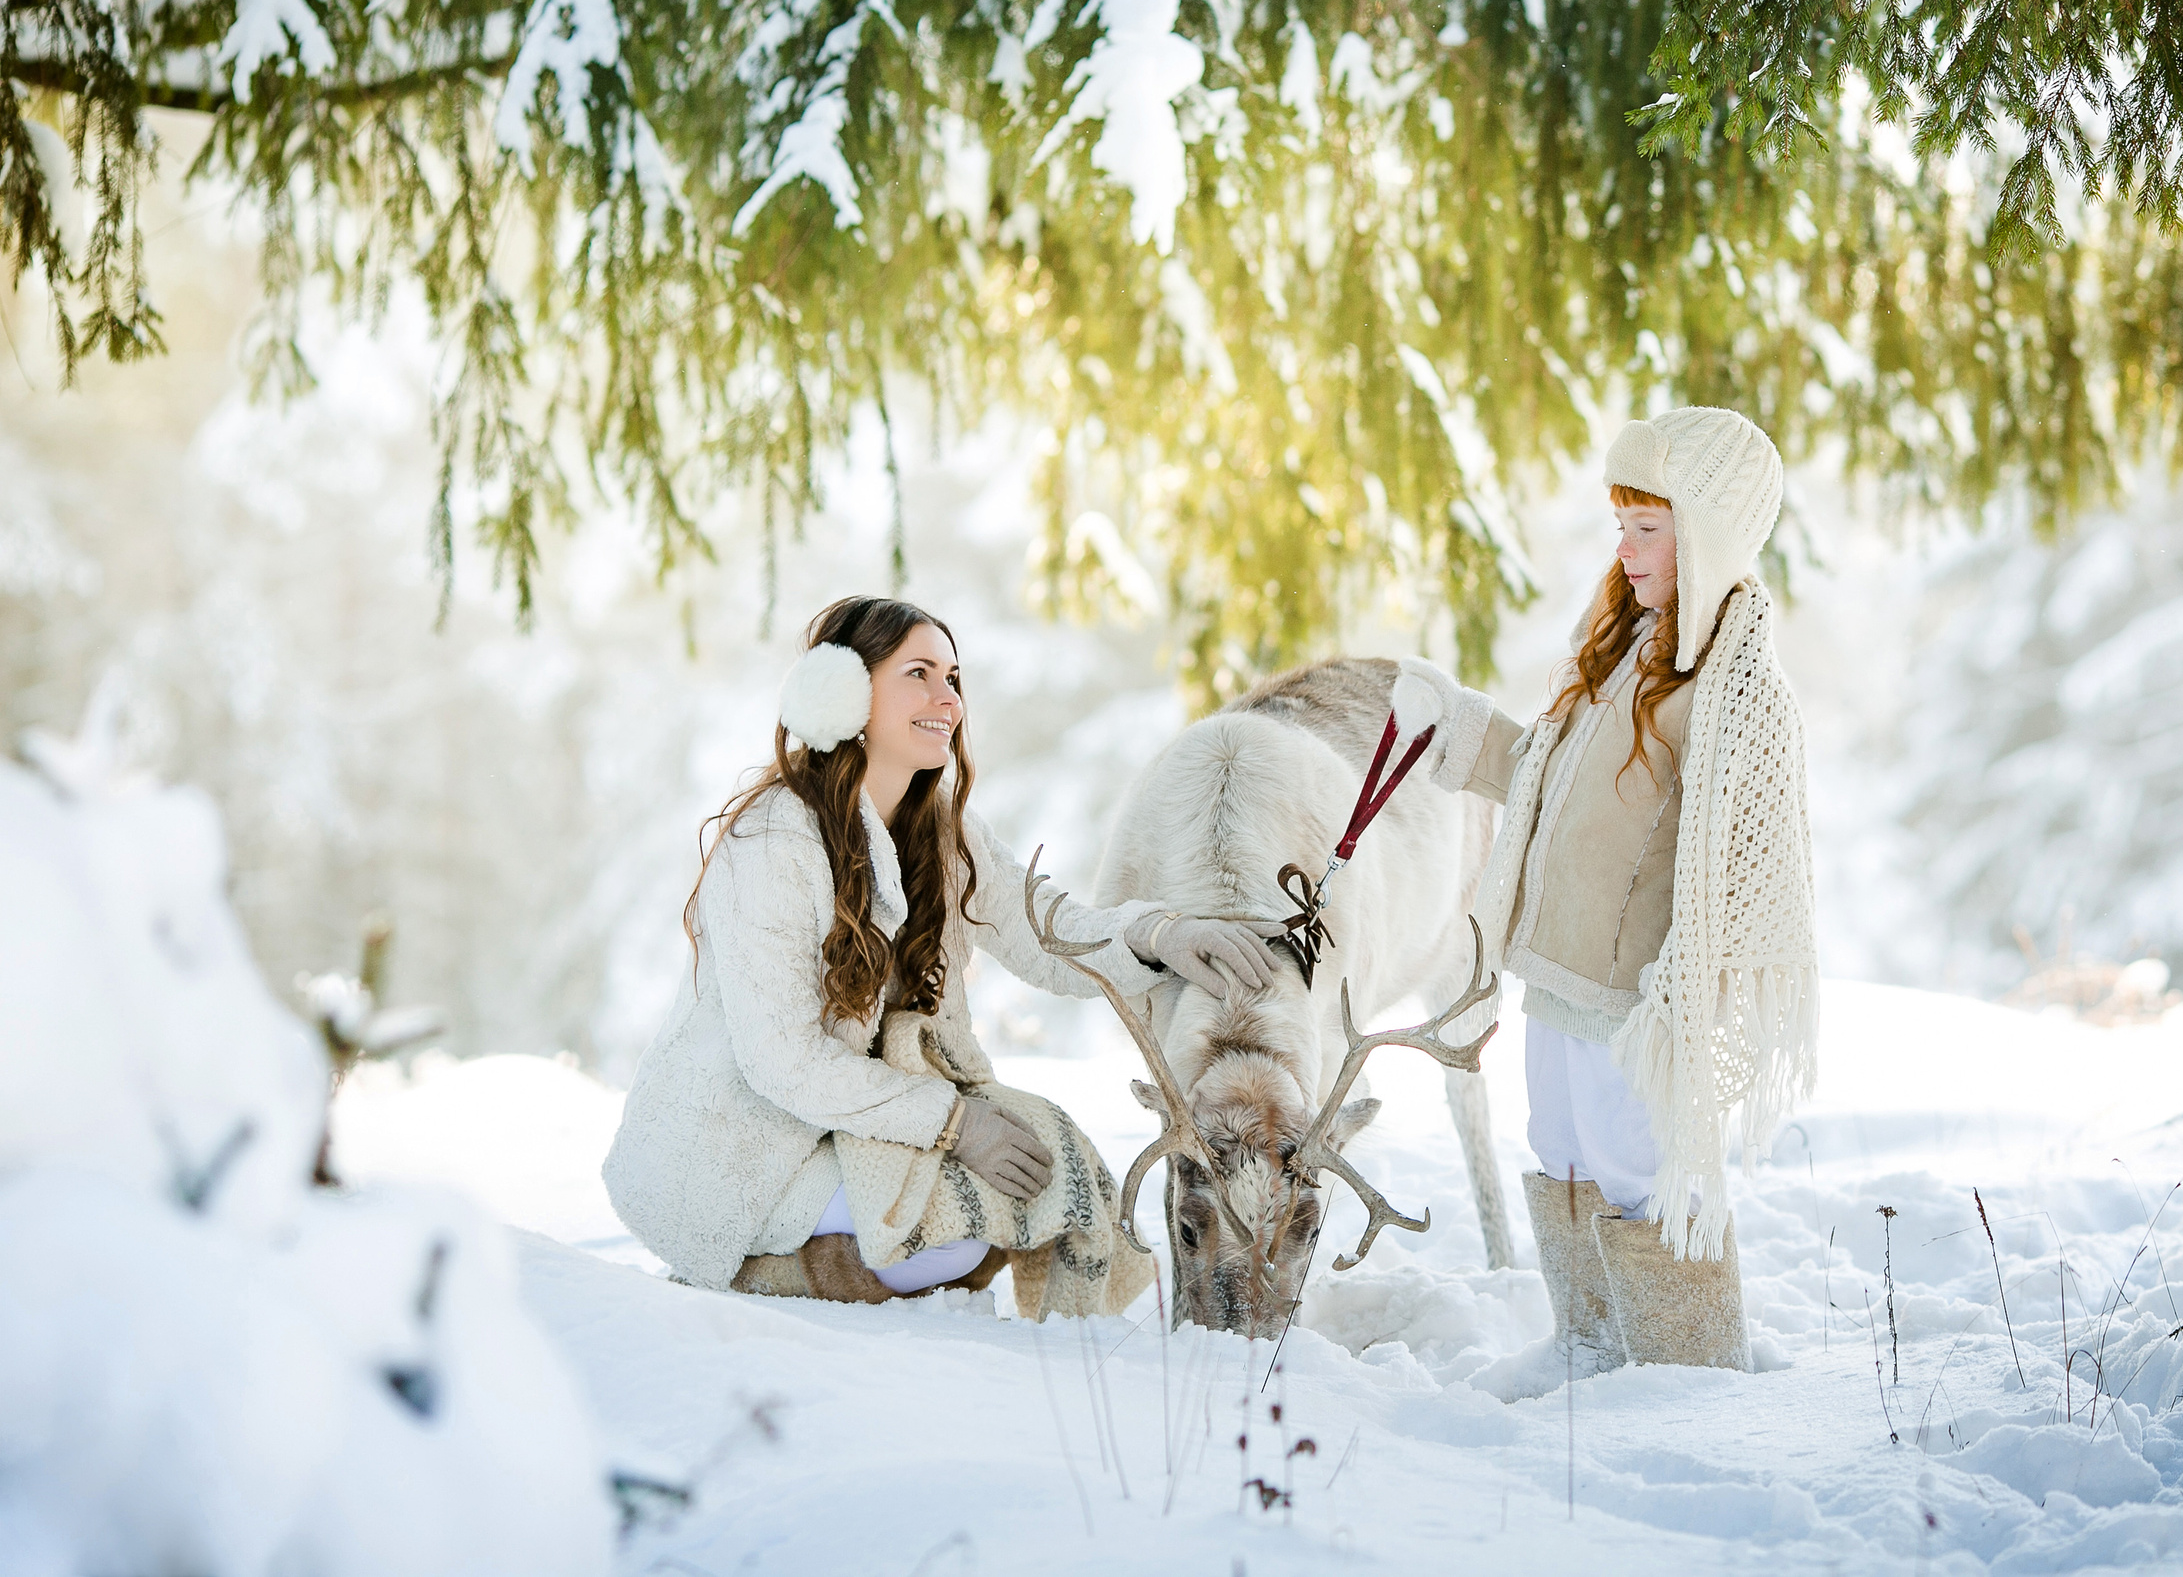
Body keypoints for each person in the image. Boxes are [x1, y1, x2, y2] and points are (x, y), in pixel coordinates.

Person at [604, 596, 1280, 1315]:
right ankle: (760, 1268)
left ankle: (869, 1261)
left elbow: (1045, 932)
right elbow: (783, 1061)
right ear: (843, 693)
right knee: (946, 1237)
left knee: (1036, 1183)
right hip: (743, 1146)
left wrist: (1158, 935)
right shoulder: (772, 839)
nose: (947, 699)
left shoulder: (943, 827)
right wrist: (958, 1124)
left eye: (953, 677)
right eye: (918, 673)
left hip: (851, 1122)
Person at [1392, 407, 1819, 1370]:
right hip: (1557, 968)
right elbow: (1543, 781)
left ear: (1706, 532)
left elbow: (1748, 865)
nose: (1625, 550)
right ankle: (1589, 1348)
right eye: (1620, 525)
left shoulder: (1731, 685)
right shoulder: (1625, 650)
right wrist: (1454, 725)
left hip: (1634, 994)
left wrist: (1686, 989)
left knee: (1637, 1169)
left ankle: (1684, 1364)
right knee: (1563, 1150)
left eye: (1649, 529)